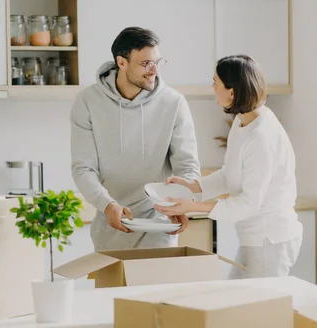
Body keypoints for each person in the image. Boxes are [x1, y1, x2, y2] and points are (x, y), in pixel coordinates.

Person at [155, 55, 303, 279]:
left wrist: (193, 207)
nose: (212, 88)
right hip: (255, 237)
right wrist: (192, 186)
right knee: (240, 301)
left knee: (254, 310)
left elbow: (249, 204)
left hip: (270, 239)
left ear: (232, 92)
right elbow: (228, 175)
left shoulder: (261, 137)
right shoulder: (243, 121)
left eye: (215, 83)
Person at [70, 27, 201, 251]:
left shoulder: (174, 102)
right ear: (122, 62)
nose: (154, 71)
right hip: (110, 220)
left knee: (155, 286)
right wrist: (107, 204)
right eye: (145, 64)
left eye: (158, 63)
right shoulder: (87, 101)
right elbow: (83, 168)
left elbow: (187, 166)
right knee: (112, 286)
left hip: (160, 221)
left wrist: (181, 203)